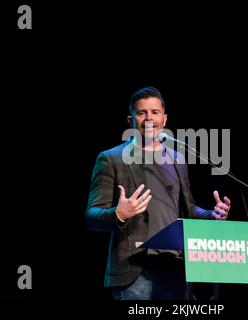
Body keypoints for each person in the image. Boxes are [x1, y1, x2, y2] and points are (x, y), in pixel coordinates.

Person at [85, 86, 231, 300]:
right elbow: (91, 216)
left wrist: (212, 214)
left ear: (164, 119)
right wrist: (119, 214)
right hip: (136, 271)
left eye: (154, 112)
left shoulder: (177, 160)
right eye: (141, 113)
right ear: (130, 120)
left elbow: (188, 209)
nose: (149, 118)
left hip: (176, 267)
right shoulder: (112, 159)